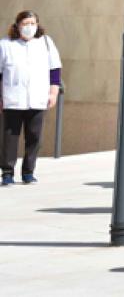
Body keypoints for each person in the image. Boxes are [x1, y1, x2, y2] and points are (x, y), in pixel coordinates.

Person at [0, 11, 62, 185]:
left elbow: (55, 69)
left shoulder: (46, 43)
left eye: (32, 23)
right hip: (12, 99)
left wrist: (53, 92)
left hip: (38, 98)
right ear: (17, 25)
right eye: (25, 23)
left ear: (37, 25)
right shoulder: (5, 44)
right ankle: (7, 173)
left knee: (34, 138)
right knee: (9, 139)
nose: (29, 27)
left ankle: (28, 172)